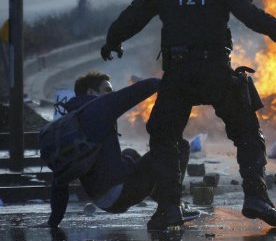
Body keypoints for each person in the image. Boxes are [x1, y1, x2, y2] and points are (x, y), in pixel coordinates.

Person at [100, 0, 276, 231]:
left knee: (164, 137)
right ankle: (256, 198)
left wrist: (113, 41)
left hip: (179, 74)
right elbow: (253, 17)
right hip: (216, 71)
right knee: (247, 133)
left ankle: (169, 207)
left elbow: (133, 16)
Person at [45, 71, 199, 228]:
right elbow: (143, 89)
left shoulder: (72, 119)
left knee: (129, 154)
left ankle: (164, 207)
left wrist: (54, 220)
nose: (111, 94)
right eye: (107, 90)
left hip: (102, 199)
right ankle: (171, 208)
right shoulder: (99, 107)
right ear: (91, 92)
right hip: (119, 193)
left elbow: (60, 179)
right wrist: (173, 84)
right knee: (178, 147)